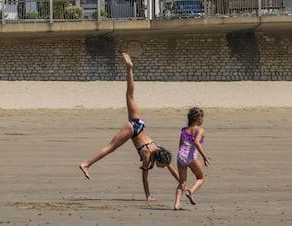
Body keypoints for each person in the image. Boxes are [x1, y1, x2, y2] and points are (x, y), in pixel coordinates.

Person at [78, 53, 181, 201]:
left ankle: (129, 69)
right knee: (110, 148)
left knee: (130, 95)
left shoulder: (160, 151)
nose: (163, 167)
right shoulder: (147, 155)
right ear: (159, 160)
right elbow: (144, 178)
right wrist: (148, 196)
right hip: (133, 129)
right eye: (162, 165)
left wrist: (182, 183)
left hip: (139, 123)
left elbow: (173, 171)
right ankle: (86, 164)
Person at [174, 107, 210, 210]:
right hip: (190, 157)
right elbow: (196, 142)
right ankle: (190, 192)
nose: (202, 120)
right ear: (198, 118)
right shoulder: (200, 130)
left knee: (182, 182)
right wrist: (204, 157)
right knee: (201, 178)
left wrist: (180, 157)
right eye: (202, 117)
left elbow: (180, 145)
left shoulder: (184, 130)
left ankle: (177, 204)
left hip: (180, 156)